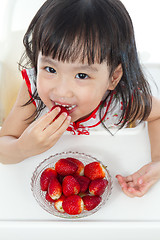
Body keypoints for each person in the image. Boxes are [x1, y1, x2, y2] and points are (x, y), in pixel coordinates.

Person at [0, 0, 160, 197]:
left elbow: (158, 115)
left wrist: (157, 161)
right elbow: (3, 146)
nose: (62, 91)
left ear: (113, 77)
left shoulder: (119, 103)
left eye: (82, 76)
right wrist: (22, 148)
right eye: (50, 69)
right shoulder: (33, 88)